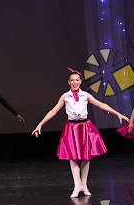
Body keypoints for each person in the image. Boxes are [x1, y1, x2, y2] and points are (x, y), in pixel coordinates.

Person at [31, 68, 128, 197]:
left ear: (80, 81)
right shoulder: (65, 96)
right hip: (72, 128)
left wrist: (117, 114)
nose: (74, 82)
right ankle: (77, 185)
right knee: (73, 157)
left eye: (77, 80)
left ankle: (84, 185)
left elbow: (101, 104)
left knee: (86, 157)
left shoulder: (85, 95)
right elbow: (53, 111)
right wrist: (40, 124)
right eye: (72, 80)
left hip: (84, 127)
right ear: (68, 82)